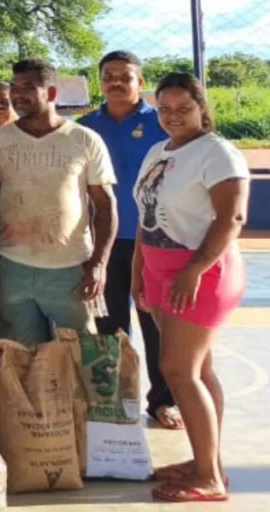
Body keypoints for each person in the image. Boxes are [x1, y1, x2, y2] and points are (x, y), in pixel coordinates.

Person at [139, 72, 248, 504]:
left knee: (178, 371)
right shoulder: (159, 150)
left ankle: (209, 478)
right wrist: (139, 273)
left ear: (202, 108)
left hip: (198, 273)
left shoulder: (217, 152)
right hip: (160, 270)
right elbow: (146, 216)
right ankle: (208, 461)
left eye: (183, 108)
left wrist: (194, 270)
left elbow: (231, 217)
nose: (173, 116)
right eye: (164, 109)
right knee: (197, 371)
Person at [0, 59, 117, 347]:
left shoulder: (84, 140)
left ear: (51, 93)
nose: (18, 95)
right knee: (20, 357)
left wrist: (98, 265)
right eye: (14, 87)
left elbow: (105, 208)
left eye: (28, 87)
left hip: (71, 270)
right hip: (12, 270)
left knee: (82, 357)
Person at [78, 50, 179, 430]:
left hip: (153, 242)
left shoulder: (162, 122)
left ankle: (163, 400)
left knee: (155, 323)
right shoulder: (85, 127)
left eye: (125, 76)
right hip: (101, 244)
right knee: (108, 324)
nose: (116, 82)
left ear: (141, 81)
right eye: (109, 76)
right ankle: (113, 401)